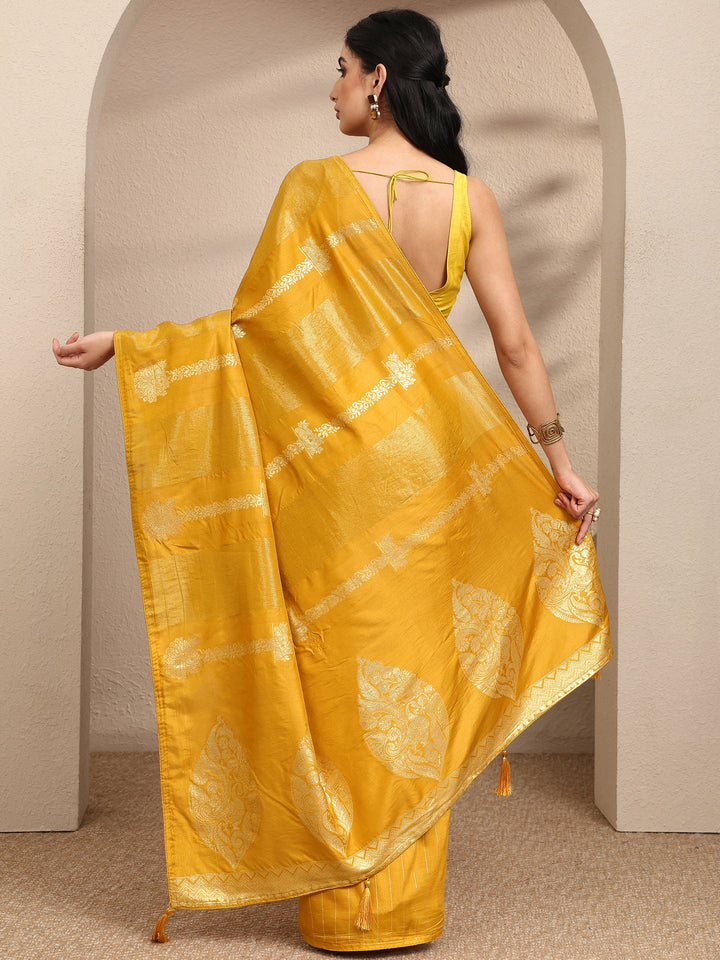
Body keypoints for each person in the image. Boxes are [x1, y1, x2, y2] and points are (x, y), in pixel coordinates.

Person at [53, 9, 609, 952]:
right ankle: (402, 907)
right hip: (427, 456)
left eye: (344, 68)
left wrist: (132, 347)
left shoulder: (314, 187)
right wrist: (561, 462)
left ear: (380, 78)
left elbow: (256, 332)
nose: (333, 86)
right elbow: (515, 345)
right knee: (412, 665)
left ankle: (339, 900)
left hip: (334, 471)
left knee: (339, 664)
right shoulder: (466, 197)